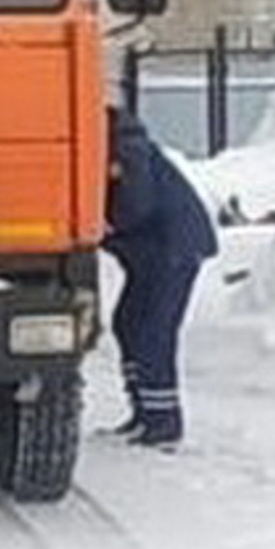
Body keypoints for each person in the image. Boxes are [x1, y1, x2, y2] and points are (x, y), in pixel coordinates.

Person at [104, 104, 218, 447]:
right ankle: (144, 411)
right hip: (153, 250)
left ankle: (163, 423)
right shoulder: (119, 141)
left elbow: (135, 204)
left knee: (153, 331)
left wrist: (103, 228)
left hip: (172, 248)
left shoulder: (126, 146)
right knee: (128, 322)